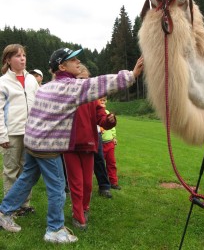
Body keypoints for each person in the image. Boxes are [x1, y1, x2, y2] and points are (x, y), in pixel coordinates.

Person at [0, 47, 143, 243]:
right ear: (62, 66)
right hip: (46, 147)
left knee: (26, 179)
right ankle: (54, 229)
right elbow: (99, 84)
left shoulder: (47, 86)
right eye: (73, 59)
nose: (78, 62)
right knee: (58, 187)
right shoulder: (70, 88)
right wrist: (132, 75)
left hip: (32, 142)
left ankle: (3, 212)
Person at [63, 64, 116, 230]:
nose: (83, 83)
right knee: (76, 183)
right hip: (70, 147)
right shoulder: (66, 96)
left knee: (87, 184)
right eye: (80, 79)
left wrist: (109, 121)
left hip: (89, 145)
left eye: (86, 80)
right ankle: (77, 215)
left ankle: (84, 208)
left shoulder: (93, 98)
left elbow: (102, 119)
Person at [0, 44, 39, 216]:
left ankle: (24, 204)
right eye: (17, 56)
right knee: (10, 171)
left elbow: (38, 103)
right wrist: (2, 135)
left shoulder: (31, 79)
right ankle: (10, 207)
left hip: (30, 132)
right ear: (8, 60)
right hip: (11, 133)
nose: (22, 58)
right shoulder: (2, 82)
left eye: (23, 55)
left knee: (27, 170)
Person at [99, 97, 121, 190]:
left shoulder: (107, 113)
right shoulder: (95, 113)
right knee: (99, 166)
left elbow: (112, 127)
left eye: (104, 100)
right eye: (101, 100)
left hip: (110, 143)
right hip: (100, 144)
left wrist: (114, 137)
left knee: (111, 163)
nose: (103, 102)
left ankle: (114, 182)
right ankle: (102, 184)